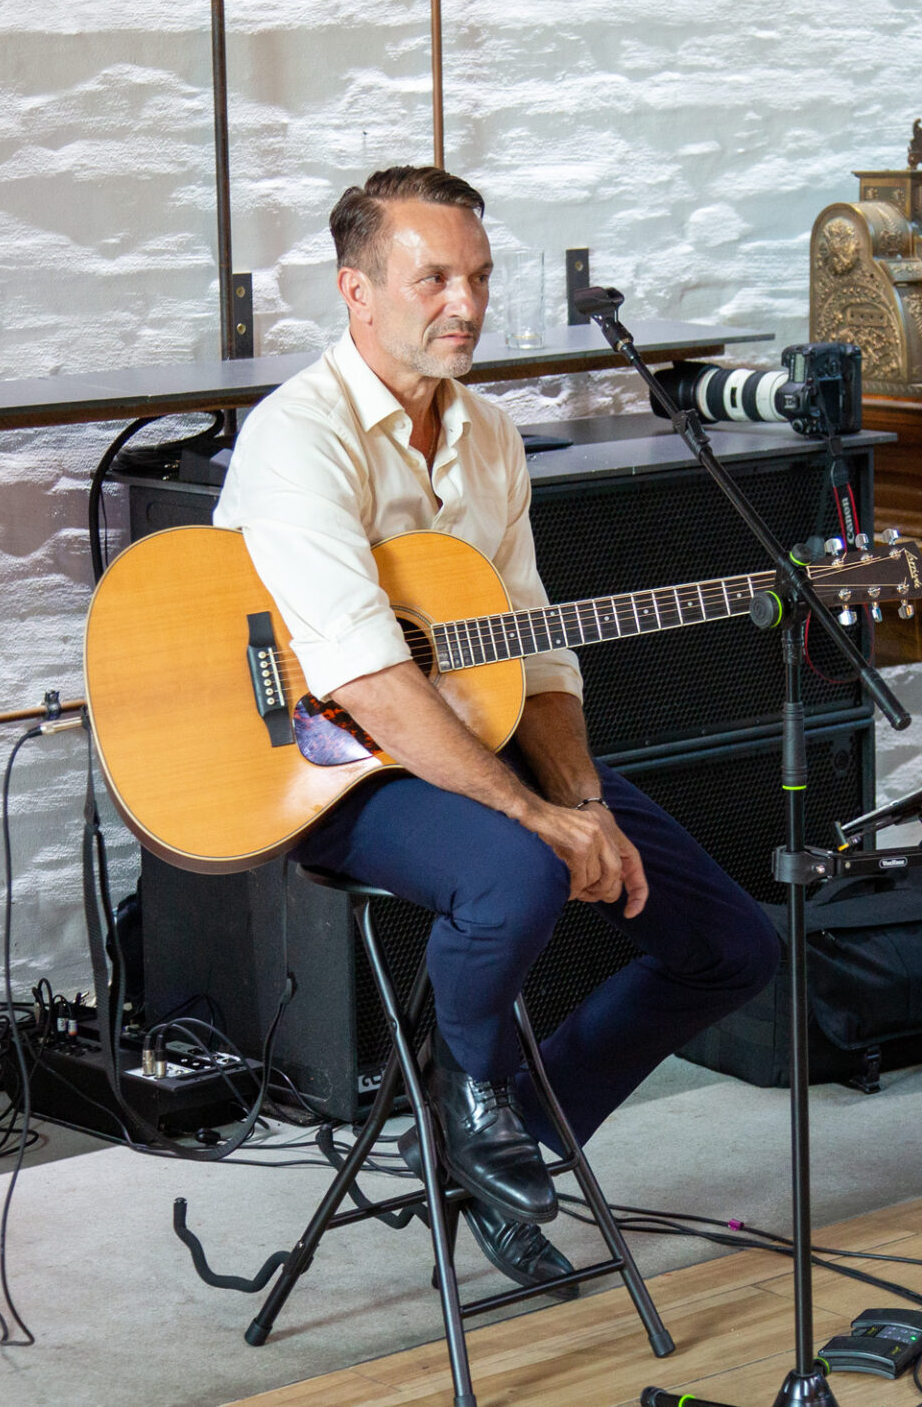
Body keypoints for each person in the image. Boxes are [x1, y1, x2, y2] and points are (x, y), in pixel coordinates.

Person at [210, 165, 780, 1296]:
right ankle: (472, 1108)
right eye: (433, 279)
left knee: (731, 945)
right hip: (325, 765)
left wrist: (584, 802)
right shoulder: (300, 436)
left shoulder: (490, 437)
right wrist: (538, 819)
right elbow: (371, 676)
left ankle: (502, 1136)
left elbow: (539, 650)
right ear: (356, 291)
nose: (465, 305)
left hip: (477, 735)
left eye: (478, 277)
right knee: (518, 872)